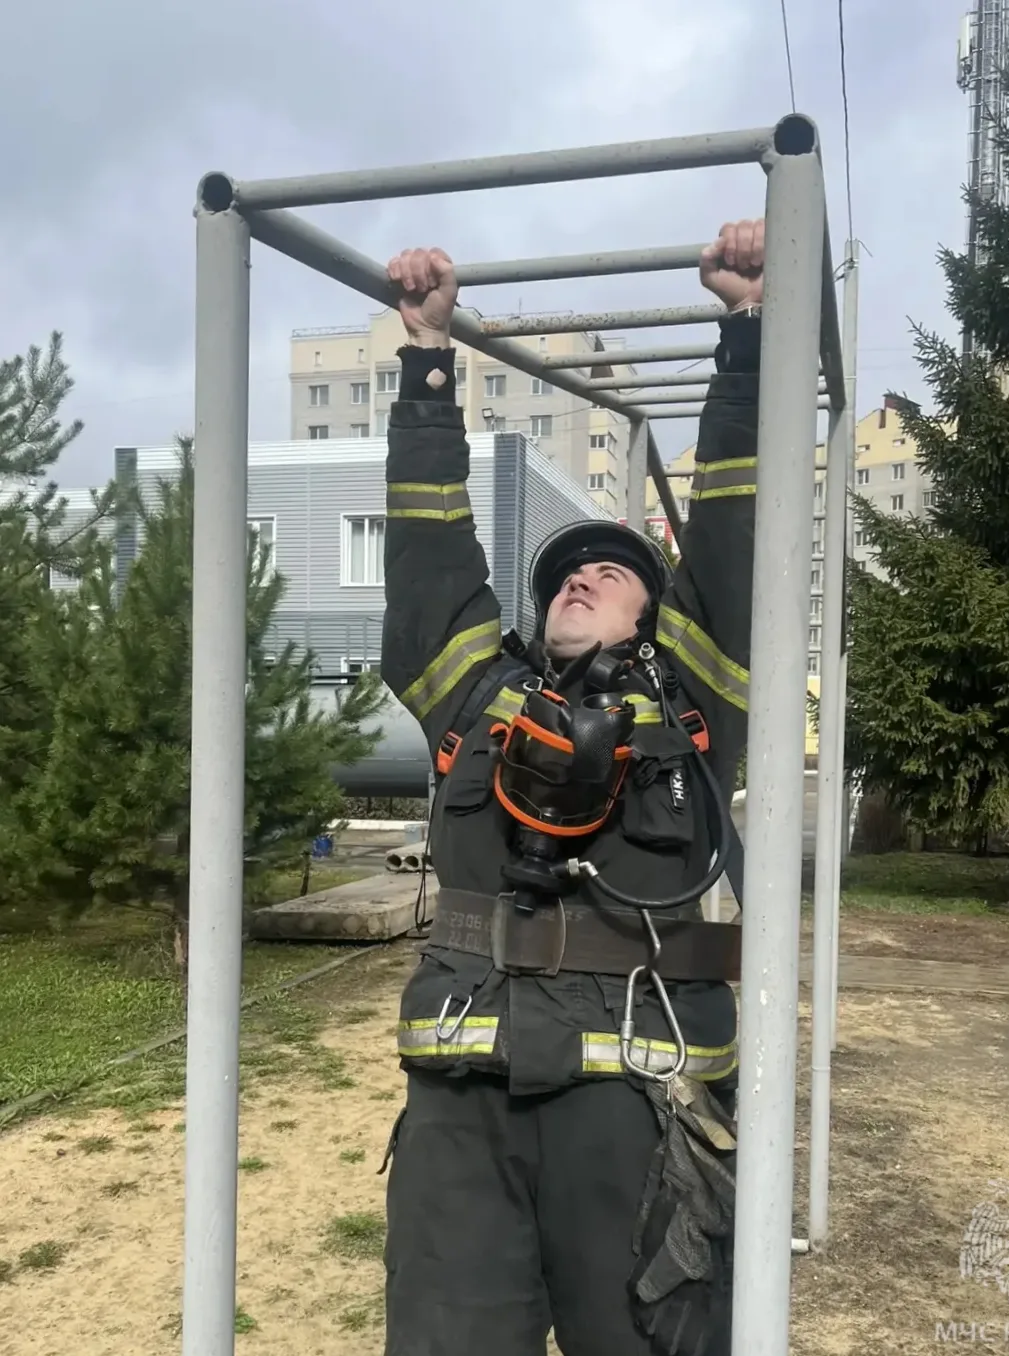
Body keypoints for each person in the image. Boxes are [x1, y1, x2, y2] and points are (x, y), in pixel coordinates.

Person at [378, 220, 765, 1356]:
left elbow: (731, 530)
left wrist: (746, 329)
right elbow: (430, 553)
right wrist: (428, 357)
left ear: (658, 613)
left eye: (612, 572)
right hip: (464, 1093)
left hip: (637, 1100)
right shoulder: (475, 693)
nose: (582, 578)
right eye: (565, 575)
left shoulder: (696, 697)